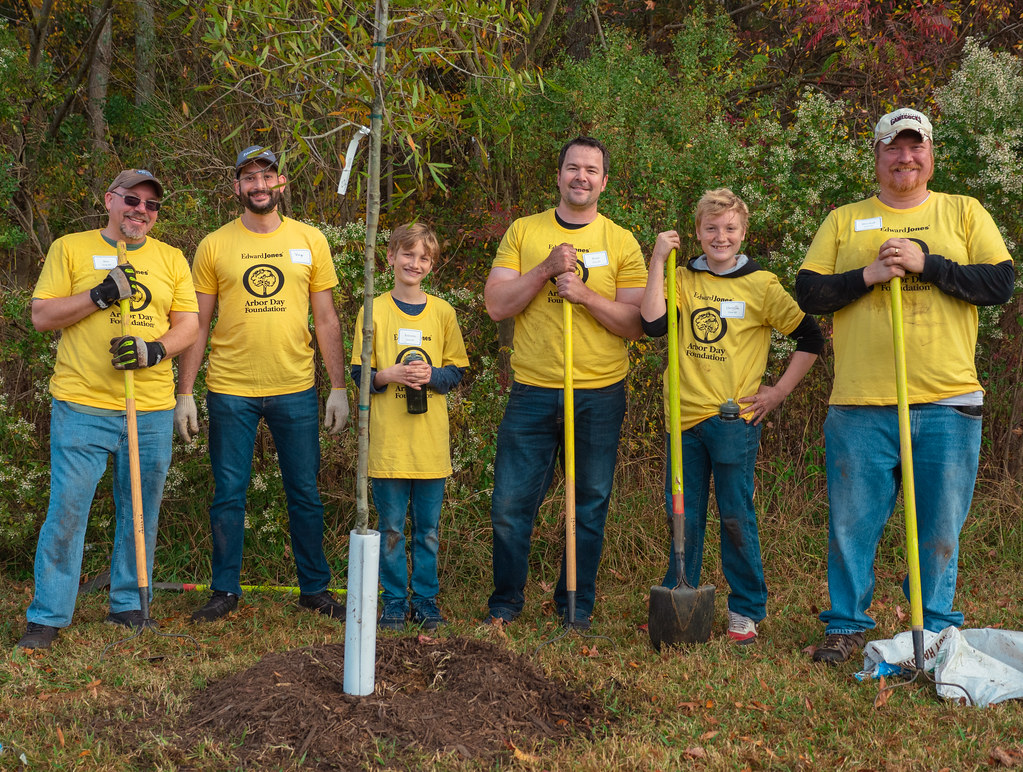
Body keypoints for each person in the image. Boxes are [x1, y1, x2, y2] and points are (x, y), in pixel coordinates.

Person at [797, 108, 1015, 664]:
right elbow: (810, 292)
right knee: (852, 525)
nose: (906, 157)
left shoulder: (963, 212)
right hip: (860, 404)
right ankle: (847, 626)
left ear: (931, 155)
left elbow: (999, 283)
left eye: (916, 147)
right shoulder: (845, 220)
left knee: (940, 529)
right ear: (877, 155)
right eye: (894, 147)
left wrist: (928, 265)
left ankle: (935, 631)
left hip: (947, 401)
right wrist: (867, 277)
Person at [17, 169, 199, 649]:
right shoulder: (70, 248)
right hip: (82, 405)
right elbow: (41, 316)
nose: (141, 210)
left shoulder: (171, 258)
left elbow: (188, 326)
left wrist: (153, 351)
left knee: (140, 511)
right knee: (68, 510)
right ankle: (48, 617)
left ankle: (128, 606)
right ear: (110, 200)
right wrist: (99, 295)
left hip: (151, 407)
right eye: (132, 200)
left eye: (151, 205)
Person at [640, 188, 823, 645]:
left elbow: (811, 339)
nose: (720, 237)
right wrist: (658, 259)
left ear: (743, 233)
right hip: (682, 418)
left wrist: (777, 392)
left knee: (736, 514)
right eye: (710, 228)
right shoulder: (681, 278)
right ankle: (681, 595)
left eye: (729, 229)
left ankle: (745, 609)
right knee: (683, 513)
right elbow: (653, 324)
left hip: (732, 421)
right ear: (697, 232)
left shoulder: (761, 285)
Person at [175, 146, 349, 622]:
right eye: (248, 177)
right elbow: (198, 322)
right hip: (230, 388)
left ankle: (314, 590)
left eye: (266, 176)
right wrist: (185, 392)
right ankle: (224, 592)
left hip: (295, 387)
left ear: (282, 183)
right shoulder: (214, 245)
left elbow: (327, 318)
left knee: (305, 493)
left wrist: (338, 386)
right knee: (229, 493)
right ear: (236, 188)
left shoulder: (311, 240)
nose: (258, 185)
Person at [484, 136, 647, 629]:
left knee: (589, 505)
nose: (581, 176)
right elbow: (497, 305)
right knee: (511, 506)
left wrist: (585, 296)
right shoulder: (523, 231)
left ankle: (575, 606)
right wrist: (546, 270)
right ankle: (506, 605)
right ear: (558, 176)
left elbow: (636, 324)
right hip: (533, 389)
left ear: (603, 181)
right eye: (573, 167)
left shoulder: (621, 240)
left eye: (591, 170)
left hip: (599, 392)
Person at [350, 223, 469, 631]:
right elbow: (359, 373)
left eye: (423, 258)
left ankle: (426, 600)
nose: (414, 263)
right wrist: (390, 375)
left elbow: (457, 372)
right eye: (407, 254)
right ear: (390, 257)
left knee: (429, 531)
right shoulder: (374, 309)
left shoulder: (443, 312)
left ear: (431, 266)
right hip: (388, 445)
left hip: (430, 446)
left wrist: (431, 376)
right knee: (392, 530)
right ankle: (395, 601)